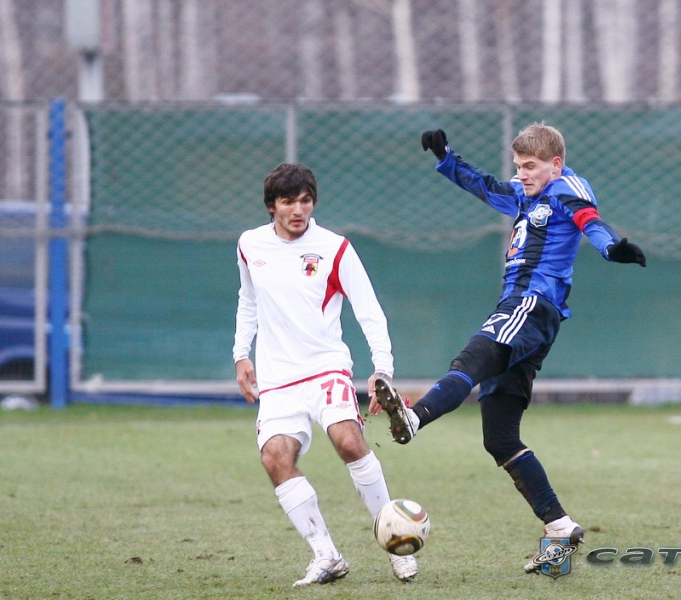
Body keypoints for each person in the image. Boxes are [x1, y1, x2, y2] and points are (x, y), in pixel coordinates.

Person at [369, 123, 646, 574]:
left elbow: (588, 220)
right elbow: (486, 187)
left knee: (472, 358)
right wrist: (446, 158)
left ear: (556, 164)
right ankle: (560, 527)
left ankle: (414, 418)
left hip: (532, 304)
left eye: (531, 166)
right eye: (519, 166)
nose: (522, 174)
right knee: (499, 437)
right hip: (524, 311)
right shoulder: (524, 193)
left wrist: (611, 247)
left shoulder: (566, 188)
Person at [233, 163, 418, 587]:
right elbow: (248, 299)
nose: (299, 210)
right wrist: (241, 353)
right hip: (278, 379)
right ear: (272, 206)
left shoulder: (335, 248)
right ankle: (326, 555)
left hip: (325, 367)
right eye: (288, 202)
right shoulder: (249, 244)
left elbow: (369, 310)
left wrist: (382, 369)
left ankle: (396, 542)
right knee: (275, 458)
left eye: (305, 200)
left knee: (349, 441)